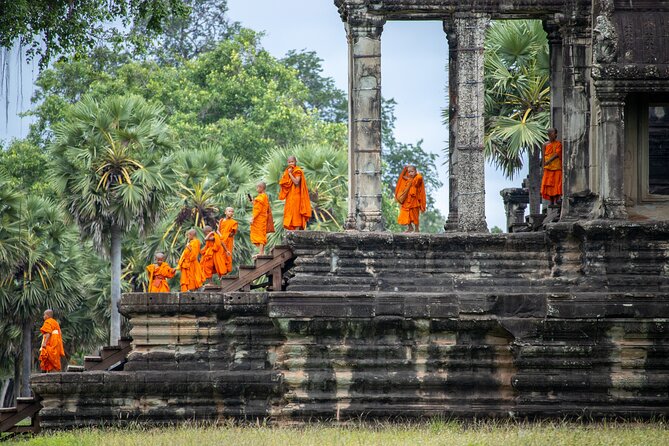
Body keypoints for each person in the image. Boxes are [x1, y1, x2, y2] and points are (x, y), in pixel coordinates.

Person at [279, 155, 312, 230]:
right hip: (290, 196)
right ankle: (292, 230)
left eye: (292, 162)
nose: (291, 163)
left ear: (295, 162)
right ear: (287, 163)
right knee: (289, 212)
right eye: (289, 162)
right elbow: (284, 183)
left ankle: (297, 230)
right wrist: (287, 174)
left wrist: (290, 174)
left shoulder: (297, 170)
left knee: (296, 213)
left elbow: (296, 182)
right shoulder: (287, 171)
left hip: (297, 196)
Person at [394, 165, 426, 233]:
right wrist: (405, 169)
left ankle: (416, 229)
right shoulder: (408, 180)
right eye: (409, 172)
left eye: (412, 171)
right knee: (404, 214)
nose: (410, 173)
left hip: (414, 201)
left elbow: (420, 178)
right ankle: (410, 228)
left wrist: (417, 174)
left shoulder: (417, 178)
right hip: (406, 201)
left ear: (415, 172)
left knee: (414, 216)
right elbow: (403, 177)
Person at [541, 128, 563, 205]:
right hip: (548, 168)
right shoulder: (545, 145)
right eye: (549, 133)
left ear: (556, 135)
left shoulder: (558, 144)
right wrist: (543, 166)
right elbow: (543, 156)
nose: (551, 135)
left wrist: (549, 161)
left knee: (557, 183)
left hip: (557, 167)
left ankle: (558, 198)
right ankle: (551, 201)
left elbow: (557, 154)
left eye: (553, 133)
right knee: (548, 184)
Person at [250, 182, 271, 257]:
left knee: (260, 235)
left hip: (259, 218)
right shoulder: (263, 196)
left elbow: (258, 210)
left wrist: (252, 218)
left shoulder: (261, 197)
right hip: (262, 218)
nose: (256, 189)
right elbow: (258, 207)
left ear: (261, 188)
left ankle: (261, 252)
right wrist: (253, 202)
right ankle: (261, 252)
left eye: (257, 187)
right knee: (261, 234)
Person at [218, 207, 238, 274]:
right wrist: (220, 236)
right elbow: (218, 230)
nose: (231, 213)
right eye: (229, 211)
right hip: (221, 241)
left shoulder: (234, 222)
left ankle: (226, 273)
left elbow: (232, 233)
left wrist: (224, 236)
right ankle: (221, 273)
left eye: (232, 211)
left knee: (227, 256)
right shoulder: (221, 220)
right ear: (225, 212)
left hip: (228, 241)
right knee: (220, 256)